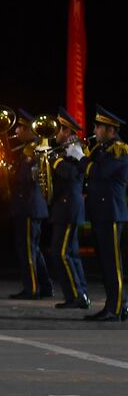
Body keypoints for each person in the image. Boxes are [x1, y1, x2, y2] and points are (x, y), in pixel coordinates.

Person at [83, 106, 127, 321]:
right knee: (104, 263)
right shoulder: (100, 150)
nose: (95, 130)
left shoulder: (120, 150)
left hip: (111, 213)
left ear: (111, 131)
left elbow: (100, 172)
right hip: (100, 213)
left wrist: (80, 159)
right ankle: (113, 305)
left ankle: (117, 308)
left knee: (113, 263)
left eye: (98, 127)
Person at [6, 111, 52, 300]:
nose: (16, 131)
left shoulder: (35, 150)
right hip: (29, 205)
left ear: (27, 129)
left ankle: (32, 288)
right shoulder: (26, 149)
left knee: (27, 249)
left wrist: (10, 172)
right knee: (33, 249)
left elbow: (29, 178)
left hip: (29, 205)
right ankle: (45, 287)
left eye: (19, 127)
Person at [48, 110, 89, 310]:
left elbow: (74, 174)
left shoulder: (76, 149)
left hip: (69, 206)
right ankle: (76, 295)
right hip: (63, 206)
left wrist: (54, 162)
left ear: (66, 131)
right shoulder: (65, 150)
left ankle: (77, 295)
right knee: (69, 253)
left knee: (62, 253)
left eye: (59, 129)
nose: (56, 132)